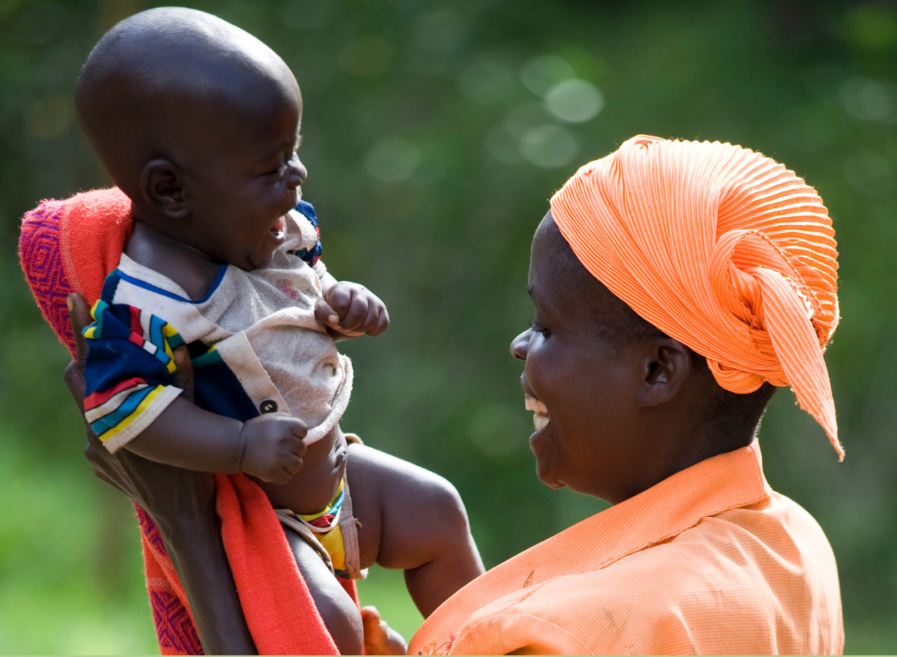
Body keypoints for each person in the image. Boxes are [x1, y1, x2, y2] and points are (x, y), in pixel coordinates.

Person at [66, 134, 844, 655]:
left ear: (656, 371)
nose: (520, 344)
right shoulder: (795, 550)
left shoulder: (554, 635)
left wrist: (187, 523)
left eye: (546, 325)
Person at [65, 7, 483, 655]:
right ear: (171, 190)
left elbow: (302, 298)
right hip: (272, 518)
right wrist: (235, 445)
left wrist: (343, 305)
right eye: (271, 165)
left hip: (342, 470)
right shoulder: (148, 298)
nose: (296, 177)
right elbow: (120, 410)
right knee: (327, 630)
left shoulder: (274, 226)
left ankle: (485, 644)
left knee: (436, 507)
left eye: (294, 153)